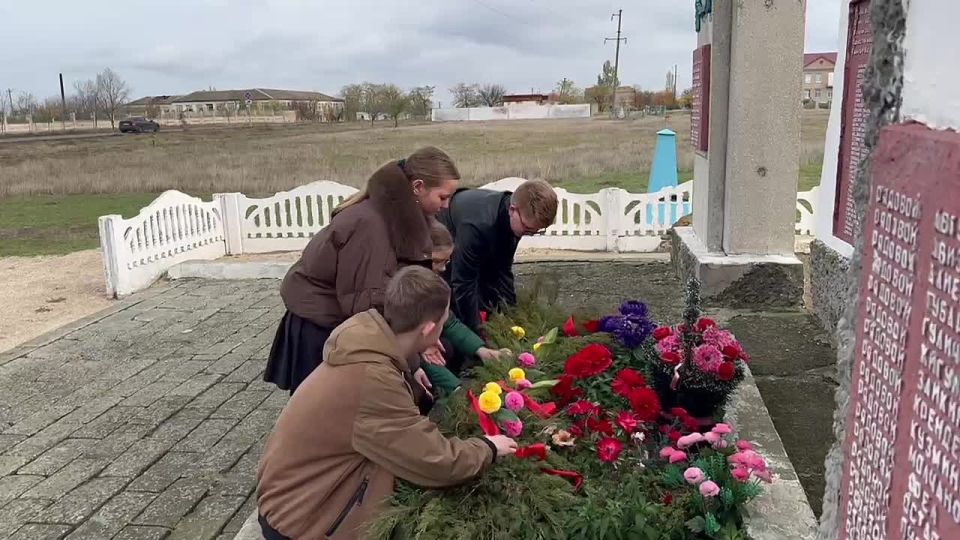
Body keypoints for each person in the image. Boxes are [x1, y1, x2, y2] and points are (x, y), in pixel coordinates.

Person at [256, 266, 518, 540]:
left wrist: (413, 366)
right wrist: (487, 447)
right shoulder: (373, 380)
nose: (443, 329)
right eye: (442, 323)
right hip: (301, 521)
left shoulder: (368, 346)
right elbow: (434, 460)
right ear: (428, 329)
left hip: (293, 497)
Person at [264, 147, 460, 395]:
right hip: (319, 326)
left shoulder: (398, 219)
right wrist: (410, 363)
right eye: (443, 197)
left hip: (339, 321)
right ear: (418, 187)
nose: (447, 205)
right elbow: (366, 306)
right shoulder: (372, 226)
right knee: (324, 412)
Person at [437, 178, 559, 334]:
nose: (529, 234)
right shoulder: (477, 226)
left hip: (476, 230)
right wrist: (479, 333)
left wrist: (513, 317)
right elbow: (463, 283)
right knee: (461, 302)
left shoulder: (517, 218)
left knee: (491, 290)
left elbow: (503, 270)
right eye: (528, 229)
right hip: (445, 235)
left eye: (536, 231)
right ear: (512, 210)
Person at [420, 220, 506, 394]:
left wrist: (481, 350)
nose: (443, 268)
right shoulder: (403, 292)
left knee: (446, 347)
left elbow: (449, 322)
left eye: (447, 261)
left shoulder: (432, 282)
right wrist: (458, 391)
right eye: (437, 261)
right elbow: (413, 352)